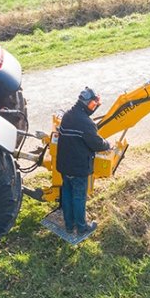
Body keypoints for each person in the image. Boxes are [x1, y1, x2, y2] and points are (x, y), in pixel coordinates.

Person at [56, 87, 111, 235]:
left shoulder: (67, 116)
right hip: (78, 168)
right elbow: (97, 144)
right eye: (94, 104)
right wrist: (108, 144)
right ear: (87, 103)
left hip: (64, 166)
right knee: (79, 197)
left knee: (67, 194)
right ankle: (82, 227)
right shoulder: (86, 123)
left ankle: (69, 225)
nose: (94, 107)